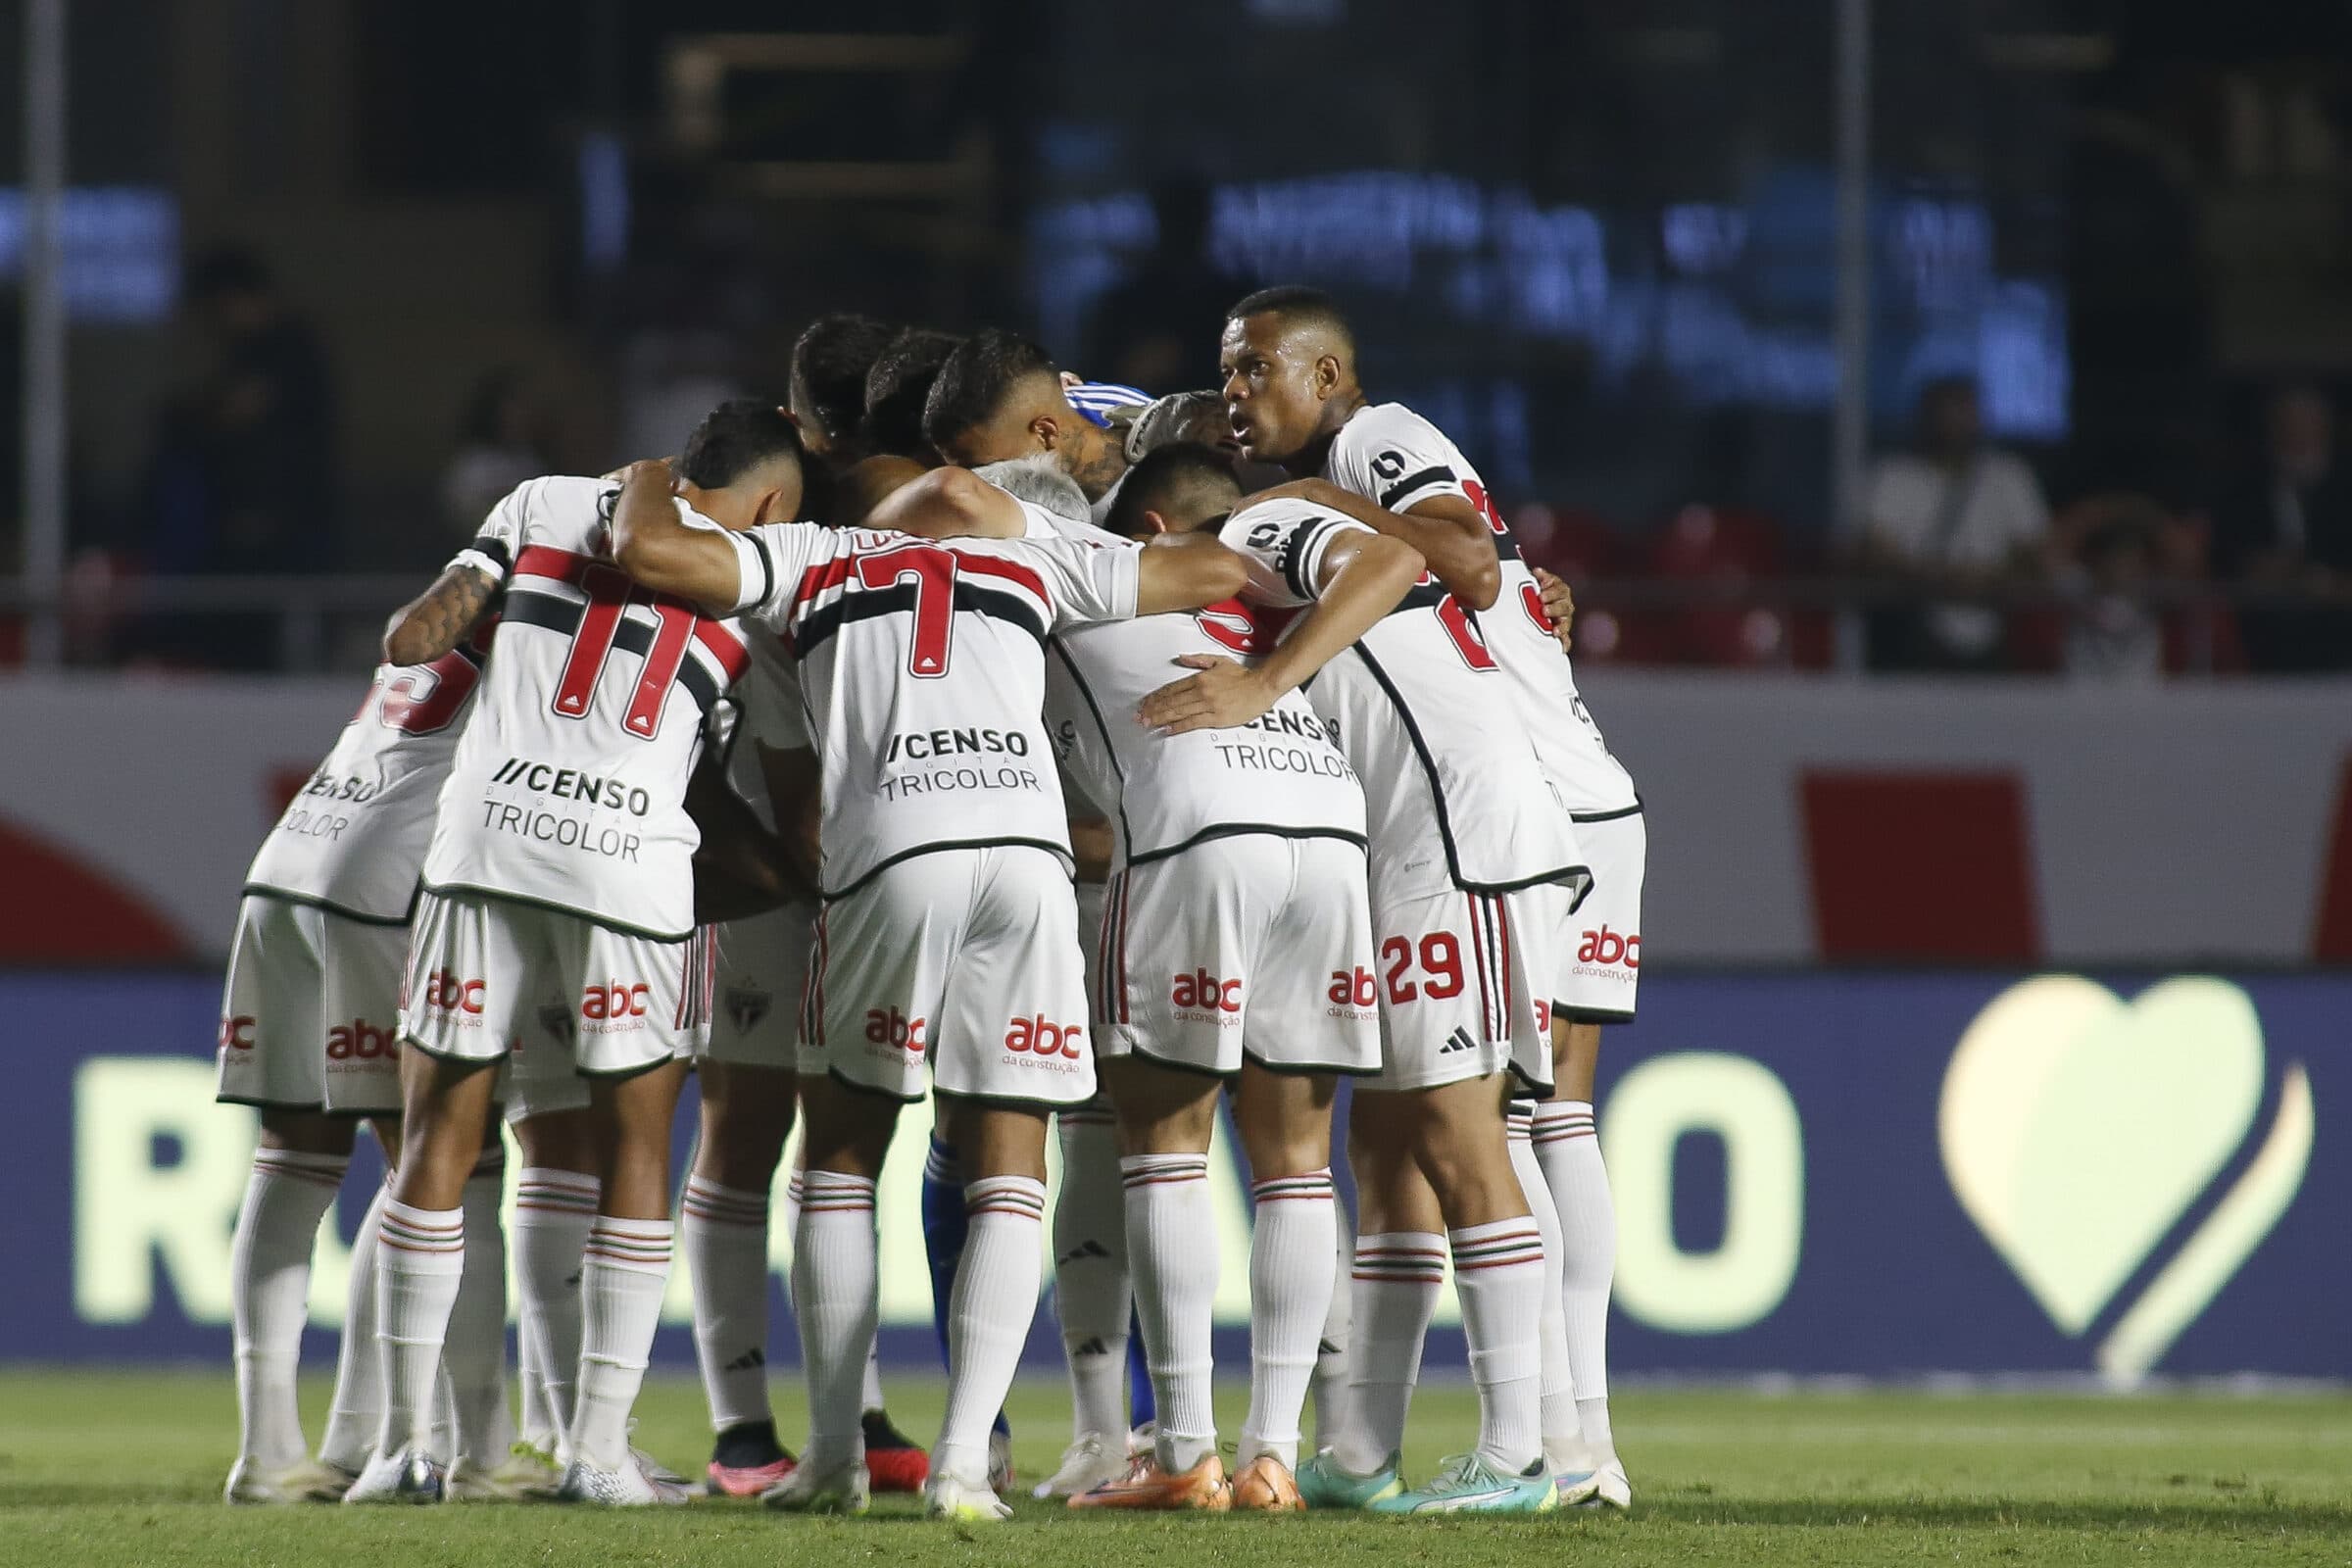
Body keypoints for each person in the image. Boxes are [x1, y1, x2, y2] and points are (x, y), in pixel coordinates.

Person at [605, 455, 1250, 1523]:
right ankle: (961, 1464)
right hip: (1029, 856)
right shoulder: (1035, 554)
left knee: (843, 1151)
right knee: (1012, 1157)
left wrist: (639, 481)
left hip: (894, 849)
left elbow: (651, 550)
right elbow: (1217, 571)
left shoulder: (803, 556)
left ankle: (830, 1455)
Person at [1222, 284, 1641, 1508]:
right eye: (1228, 381)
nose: (1239, 397)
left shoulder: (1376, 439)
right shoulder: (1340, 472)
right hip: (1521, 799)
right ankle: (1375, 1445)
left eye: (1256, 372)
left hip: (1511, 811)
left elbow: (1450, 548)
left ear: (1328, 374)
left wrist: (1313, 499)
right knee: (1401, 1134)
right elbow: (1479, 566)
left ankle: (1552, 1449)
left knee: (1506, 1127)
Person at [345, 400, 805, 1506]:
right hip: (632, 869)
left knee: (435, 1144)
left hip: (485, 844)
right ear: (775, 498)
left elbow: (413, 637)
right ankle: (597, 1452)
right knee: (635, 1149)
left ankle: (404, 1449)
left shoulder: (542, 503)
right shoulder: (767, 570)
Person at [1036, 449, 1418, 1513]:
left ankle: (1184, 1452)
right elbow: (1393, 556)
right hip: (1327, 834)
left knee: (1162, 1146)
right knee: (1297, 1162)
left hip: (1198, 829)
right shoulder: (1276, 604)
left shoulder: (1091, 569)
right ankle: (1272, 1458)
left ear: (1150, 528)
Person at [215, 631, 523, 1504]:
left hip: (290, 862)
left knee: (295, 1158)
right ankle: (476, 1448)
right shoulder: (552, 629)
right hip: (385, 883)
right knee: (442, 1164)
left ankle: (275, 1450)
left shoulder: (449, 620)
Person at [1861, 375, 2053, 672]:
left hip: (1999, 634)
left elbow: (2036, 554)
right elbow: (1876, 552)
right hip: (1916, 636)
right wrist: (1941, 578)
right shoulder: (1894, 476)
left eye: (1964, 414)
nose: (1955, 425)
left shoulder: (2009, 476)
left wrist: (1987, 579)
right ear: (1925, 418)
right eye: (1945, 414)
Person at [2213, 384, 2352, 671]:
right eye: (2287, 427)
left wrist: (2326, 582)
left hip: (2339, 646)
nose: (2296, 437)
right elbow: (2223, 557)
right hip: (2263, 650)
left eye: (2305, 428)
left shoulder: (2344, 491)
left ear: (2324, 430)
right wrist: (2253, 567)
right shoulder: (2244, 492)